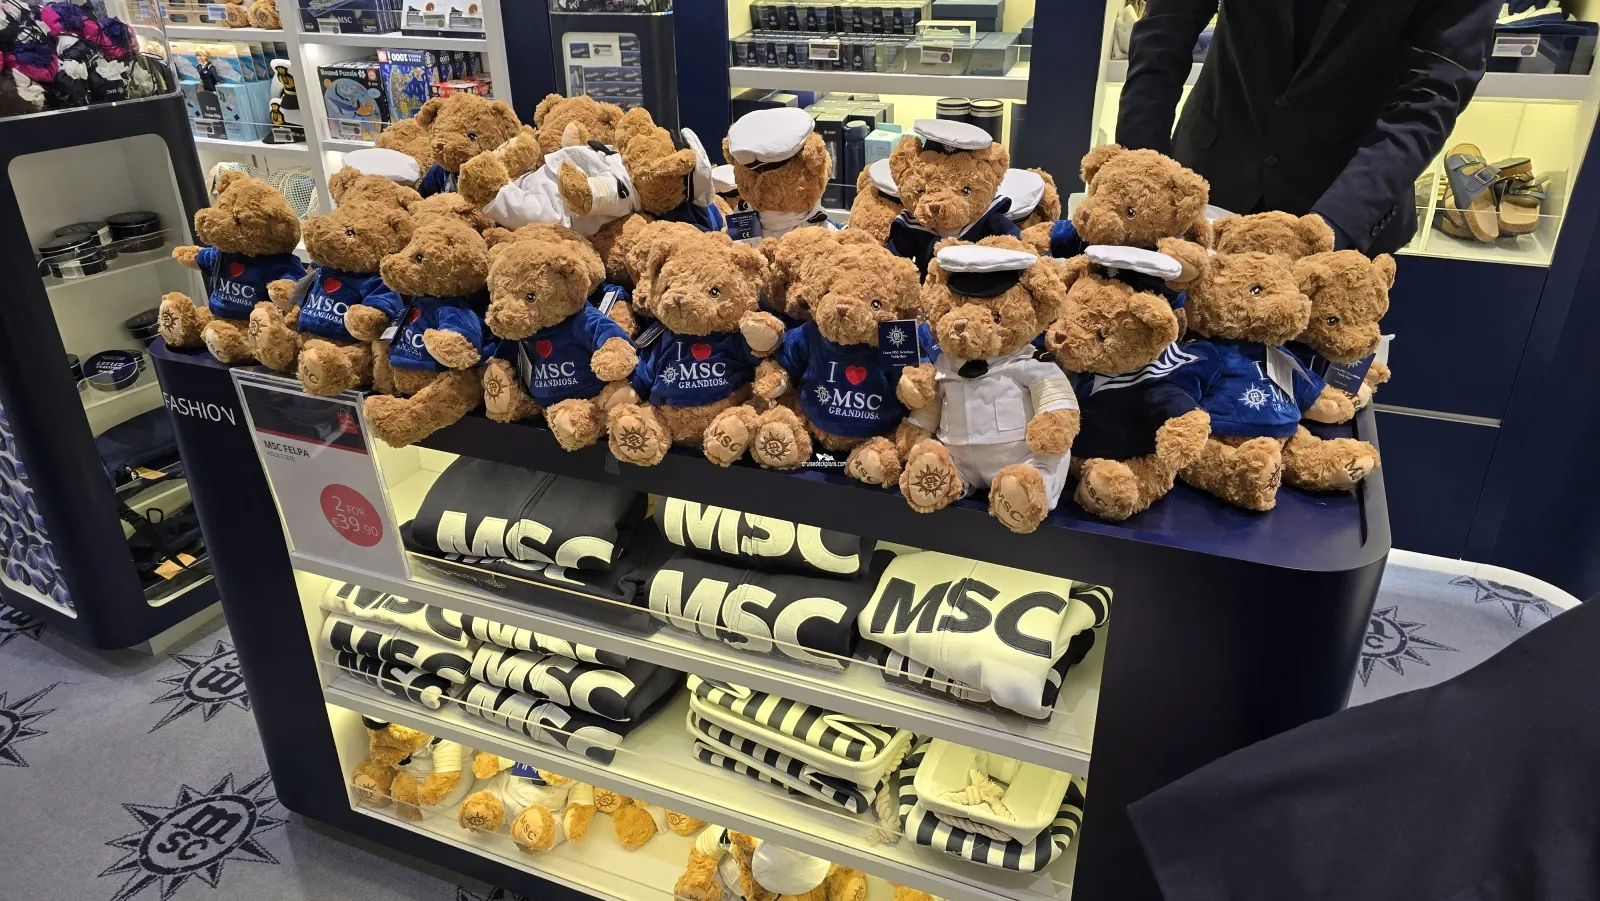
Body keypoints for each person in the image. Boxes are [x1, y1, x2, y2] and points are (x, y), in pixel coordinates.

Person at [1115, 0, 1501, 255]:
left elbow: (1431, 95)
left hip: (1348, 206)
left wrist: (1331, 230)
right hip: (1211, 179)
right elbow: (1166, 30)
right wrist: (1138, 174)